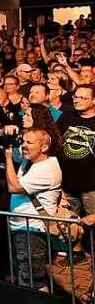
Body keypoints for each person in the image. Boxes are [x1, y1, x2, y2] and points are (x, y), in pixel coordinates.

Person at [5, 129, 62, 292]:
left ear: (44, 147)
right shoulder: (30, 162)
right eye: (23, 141)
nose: (23, 146)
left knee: (35, 281)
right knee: (26, 276)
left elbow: (14, 187)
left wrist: (8, 158)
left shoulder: (47, 168)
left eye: (29, 143)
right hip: (22, 228)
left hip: (32, 230)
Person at [56, 84, 95, 218]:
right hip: (67, 184)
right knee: (70, 227)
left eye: (82, 98)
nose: (76, 100)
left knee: (92, 225)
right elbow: (56, 143)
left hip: (91, 186)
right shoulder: (66, 117)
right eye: (75, 97)